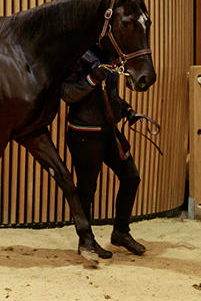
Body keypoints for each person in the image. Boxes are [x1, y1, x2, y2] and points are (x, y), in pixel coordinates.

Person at [61, 47, 152, 258]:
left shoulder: (109, 57)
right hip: (84, 133)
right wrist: (92, 79)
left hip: (108, 130)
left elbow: (109, 95)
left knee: (131, 177)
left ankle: (120, 232)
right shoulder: (77, 56)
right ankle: (86, 241)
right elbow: (67, 93)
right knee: (87, 190)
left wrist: (127, 109)